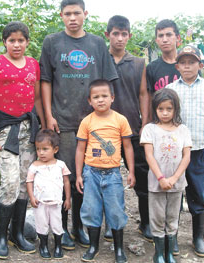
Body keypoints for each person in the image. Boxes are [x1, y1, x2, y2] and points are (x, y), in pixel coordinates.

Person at [39, 0, 118, 250]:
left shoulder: (96, 43)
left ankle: (79, 227)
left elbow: (107, 83)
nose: (72, 18)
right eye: (67, 14)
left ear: (85, 14)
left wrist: (106, 117)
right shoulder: (52, 42)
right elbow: (46, 81)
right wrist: (48, 115)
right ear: (61, 16)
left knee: (85, 178)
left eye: (77, 13)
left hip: (92, 123)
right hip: (62, 122)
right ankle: (61, 231)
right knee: (62, 176)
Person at [0, 21, 45, 259]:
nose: (16, 44)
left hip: (29, 130)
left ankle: (17, 233)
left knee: (27, 181)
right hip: (5, 130)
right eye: (11, 40)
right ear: (4, 41)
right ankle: (1, 237)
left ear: (27, 42)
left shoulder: (33, 64)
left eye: (21, 40)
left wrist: (43, 127)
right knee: (10, 182)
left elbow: (36, 99)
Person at [167, 45, 204, 257]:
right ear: (177, 66)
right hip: (175, 152)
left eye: (192, 62)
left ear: (200, 65)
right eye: (183, 62)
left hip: (199, 151)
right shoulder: (172, 89)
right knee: (173, 195)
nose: (187, 66)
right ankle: (172, 237)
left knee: (199, 194)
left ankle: (198, 237)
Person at [75, 79, 135, 263]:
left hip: (113, 173)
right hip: (91, 173)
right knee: (91, 210)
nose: (100, 100)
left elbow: (128, 147)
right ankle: (94, 247)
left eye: (104, 96)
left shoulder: (120, 120)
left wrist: (131, 171)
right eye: (96, 97)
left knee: (116, 211)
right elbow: (80, 149)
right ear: (89, 101)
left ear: (112, 98)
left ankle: (118, 249)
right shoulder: (87, 121)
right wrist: (78, 174)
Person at [105, 15, 151, 243]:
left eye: (124, 34)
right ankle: (109, 223)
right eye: (115, 33)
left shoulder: (138, 63)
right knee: (106, 177)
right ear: (108, 35)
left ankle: (146, 222)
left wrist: (145, 124)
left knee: (142, 177)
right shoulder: (101, 60)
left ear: (129, 36)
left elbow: (144, 94)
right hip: (106, 131)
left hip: (133, 128)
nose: (120, 38)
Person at [140, 88, 192, 263]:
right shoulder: (150, 129)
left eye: (169, 109)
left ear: (175, 109)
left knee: (172, 217)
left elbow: (186, 157)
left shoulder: (183, 129)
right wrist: (161, 178)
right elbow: (149, 156)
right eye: (160, 109)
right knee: (157, 217)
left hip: (176, 184)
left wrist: (174, 178)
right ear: (155, 109)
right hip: (156, 183)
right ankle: (159, 253)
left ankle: (169, 252)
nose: (164, 113)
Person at [146, 19, 182, 254]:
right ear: (157, 39)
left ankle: (173, 237)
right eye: (161, 36)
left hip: (180, 132)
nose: (165, 39)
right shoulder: (153, 68)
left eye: (169, 35)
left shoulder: (186, 64)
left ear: (178, 37)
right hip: (158, 132)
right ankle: (156, 232)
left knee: (178, 190)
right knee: (156, 188)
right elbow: (148, 97)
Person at [26, 129, 71, 259]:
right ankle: (43, 245)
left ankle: (58, 246)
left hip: (56, 202)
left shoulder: (60, 165)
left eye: (45, 149)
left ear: (55, 149)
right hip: (40, 203)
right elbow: (29, 182)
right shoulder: (34, 166)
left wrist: (67, 198)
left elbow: (66, 182)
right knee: (42, 224)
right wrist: (32, 197)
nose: (41, 153)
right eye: (38, 149)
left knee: (57, 224)